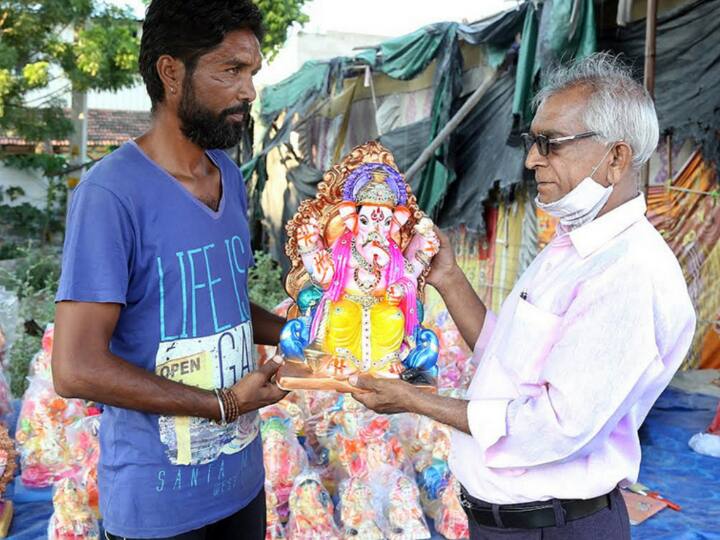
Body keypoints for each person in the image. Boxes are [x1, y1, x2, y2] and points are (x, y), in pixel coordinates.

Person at [350, 52, 696, 539]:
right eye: (532, 142)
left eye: (549, 144)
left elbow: (552, 425)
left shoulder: (628, 273)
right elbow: (507, 360)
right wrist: (448, 278)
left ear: (616, 158)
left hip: (553, 527)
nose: (532, 159)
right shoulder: (570, 245)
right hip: (509, 523)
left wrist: (413, 399)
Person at [51, 1, 287, 538]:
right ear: (171, 72)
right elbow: (75, 367)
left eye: (251, 72)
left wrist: (295, 331)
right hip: (157, 506)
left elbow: (214, 300)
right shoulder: (111, 194)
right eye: (231, 70)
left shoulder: (226, 174)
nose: (248, 91)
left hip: (242, 482)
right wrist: (223, 403)